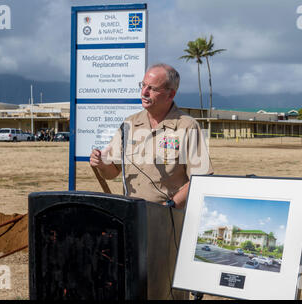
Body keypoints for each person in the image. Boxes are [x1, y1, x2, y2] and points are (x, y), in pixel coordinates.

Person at [90, 63, 213, 209]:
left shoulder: (187, 126)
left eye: (152, 88)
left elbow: (201, 179)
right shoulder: (129, 123)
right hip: (133, 215)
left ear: (171, 94)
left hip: (169, 219)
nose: (144, 92)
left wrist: (169, 206)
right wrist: (103, 165)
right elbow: (112, 172)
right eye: (143, 85)